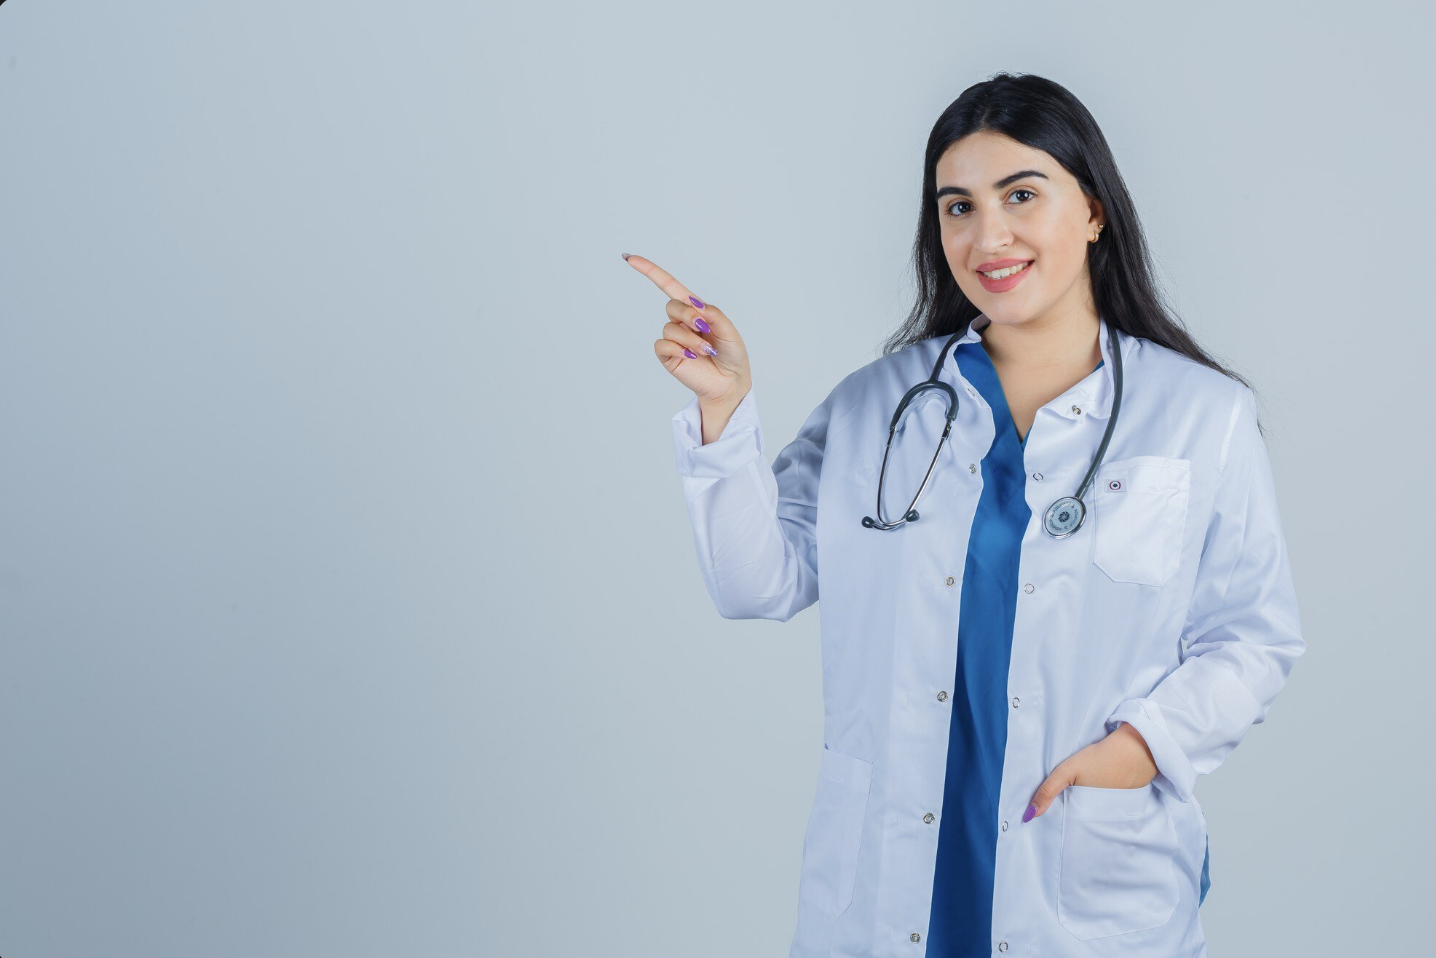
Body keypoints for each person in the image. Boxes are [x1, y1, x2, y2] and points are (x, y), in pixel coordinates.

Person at [625, 72, 1303, 958]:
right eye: (957, 206)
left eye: (1022, 194)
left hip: (1082, 860)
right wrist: (725, 412)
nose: (988, 236)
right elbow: (760, 582)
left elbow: (1254, 636)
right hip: (896, 870)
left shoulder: (1198, 415)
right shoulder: (878, 406)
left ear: (1094, 210)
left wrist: (1144, 746)